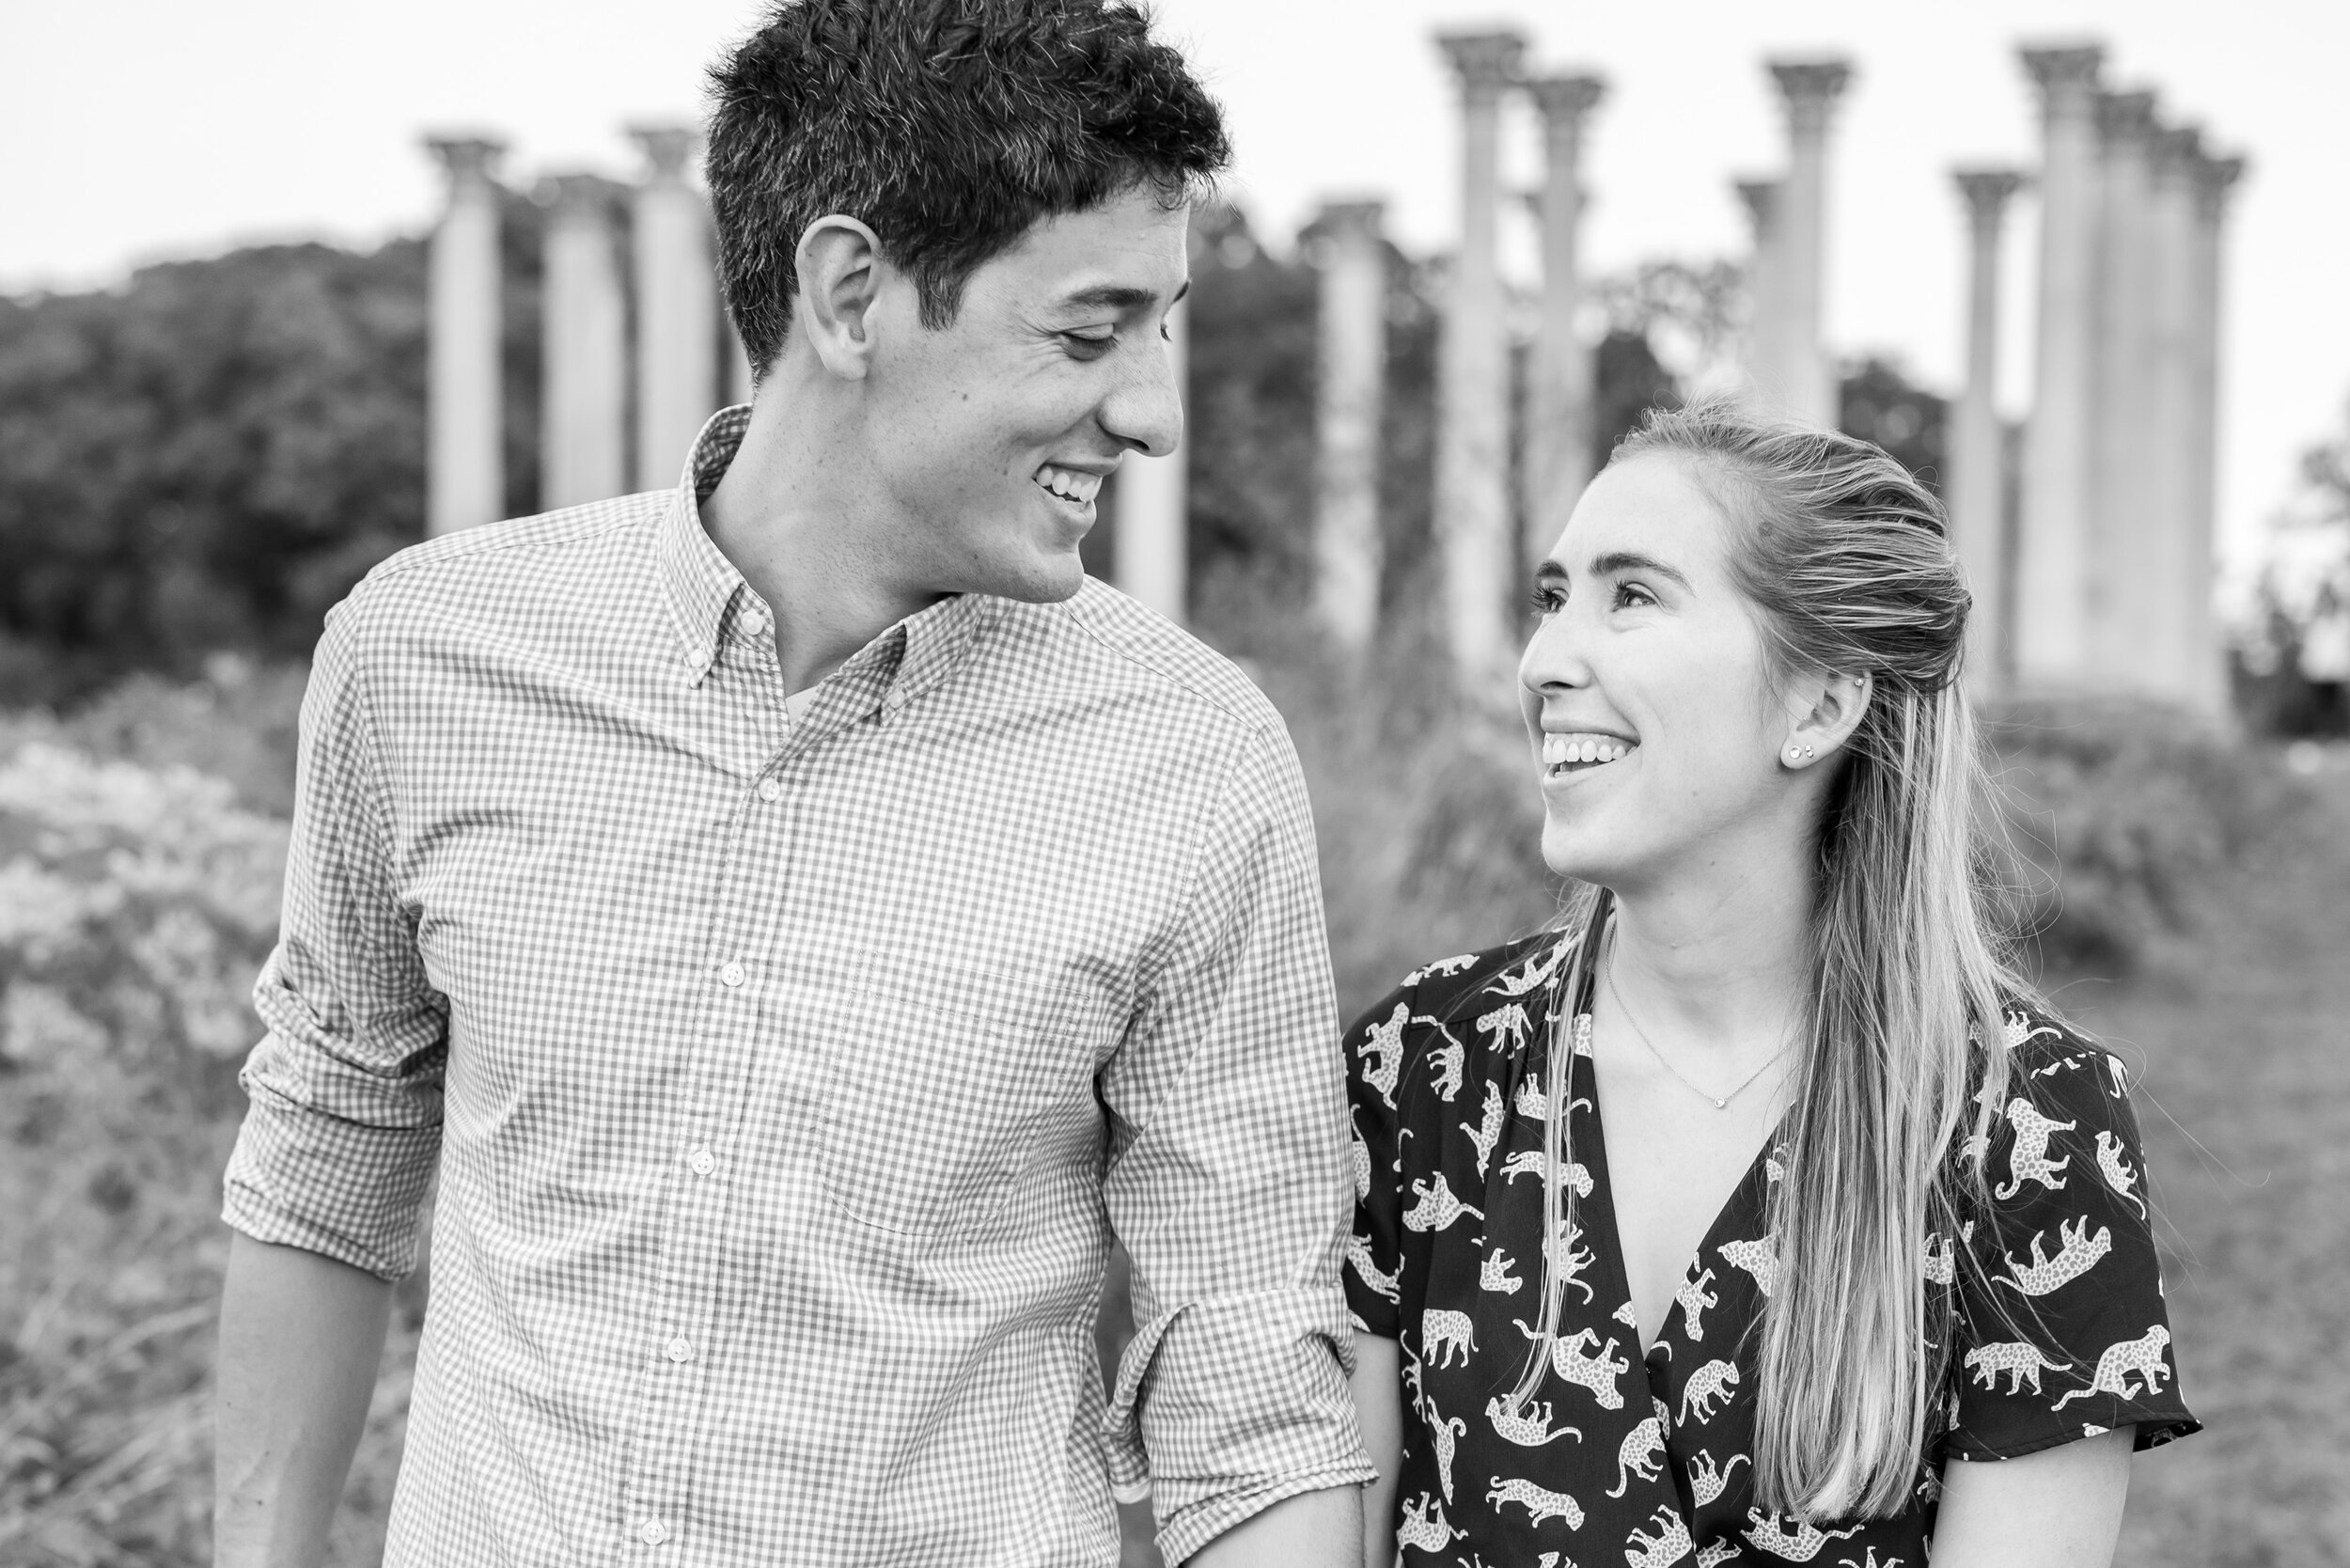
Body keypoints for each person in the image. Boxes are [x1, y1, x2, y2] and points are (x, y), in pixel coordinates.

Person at [212, 3, 1371, 1564]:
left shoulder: (1196, 762)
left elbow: (1245, 1365)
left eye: (1159, 331)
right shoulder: (427, 656)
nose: (1154, 408)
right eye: (1090, 334)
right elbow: (326, 1157)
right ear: (849, 295)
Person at [1344, 400, 2197, 1567]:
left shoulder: (2023, 1124)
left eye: (1630, 595)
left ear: (1819, 704)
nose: (1543, 661)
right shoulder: (1426, 1067)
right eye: (1553, 598)